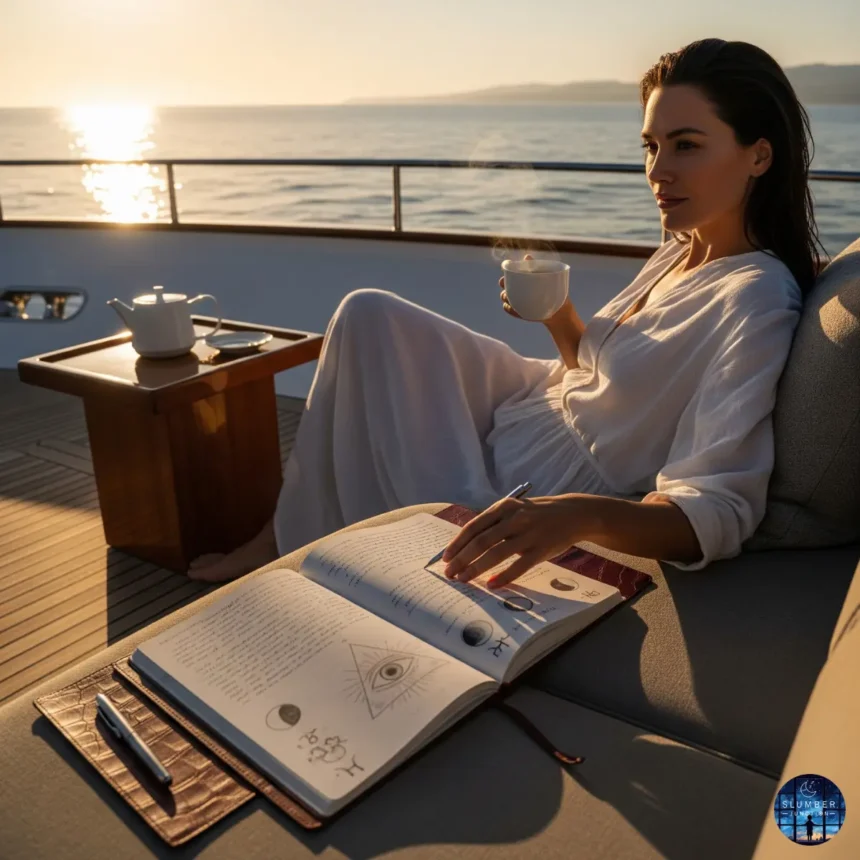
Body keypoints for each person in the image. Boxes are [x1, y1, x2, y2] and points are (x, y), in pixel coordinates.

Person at [189, 38, 822, 586]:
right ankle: (284, 528)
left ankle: (290, 540)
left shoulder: (754, 298)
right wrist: (559, 317)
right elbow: (606, 374)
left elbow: (718, 506)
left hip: (532, 480)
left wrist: (579, 515)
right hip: (536, 402)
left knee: (370, 357)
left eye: (686, 145)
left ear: (759, 156)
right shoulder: (681, 249)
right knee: (368, 316)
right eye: (651, 146)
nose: (659, 171)